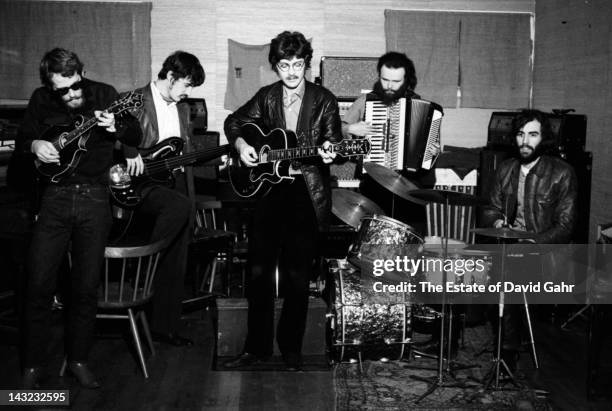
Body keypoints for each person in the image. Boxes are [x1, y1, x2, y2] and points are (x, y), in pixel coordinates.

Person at [20, 48, 142, 388]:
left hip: (94, 198)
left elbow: (136, 136)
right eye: (63, 90)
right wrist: (34, 147)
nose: (72, 94)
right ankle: (32, 366)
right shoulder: (40, 100)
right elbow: (23, 139)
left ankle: (78, 360)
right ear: (49, 84)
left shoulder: (105, 94)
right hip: (54, 200)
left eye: (76, 85)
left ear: (82, 73)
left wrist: (117, 125)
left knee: (85, 289)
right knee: (38, 285)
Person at [223, 31, 341, 370]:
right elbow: (234, 122)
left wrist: (332, 154)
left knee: (297, 276)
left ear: (306, 64)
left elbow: (334, 142)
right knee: (258, 272)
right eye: (285, 65)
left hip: (306, 191)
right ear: (276, 66)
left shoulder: (324, 99)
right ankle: (256, 347)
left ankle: (291, 348)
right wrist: (243, 147)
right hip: (269, 193)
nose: (292, 72)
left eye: (299, 64)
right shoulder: (266, 97)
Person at [482, 109, 578, 372]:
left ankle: (507, 354)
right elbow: (490, 208)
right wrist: (498, 222)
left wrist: (531, 244)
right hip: (508, 246)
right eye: (521, 134)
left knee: (509, 273)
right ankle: (449, 341)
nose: (525, 141)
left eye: (533, 135)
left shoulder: (562, 173)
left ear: (543, 138)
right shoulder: (506, 169)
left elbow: (566, 227)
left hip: (546, 254)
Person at [121, 51, 205, 347]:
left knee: (177, 257)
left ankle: (163, 328)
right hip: (139, 185)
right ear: (170, 77)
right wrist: (129, 151)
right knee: (177, 210)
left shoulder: (182, 109)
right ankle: (141, 265)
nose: (189, 93)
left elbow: (184, 148)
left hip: (176, 183)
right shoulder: (132, 100)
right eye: (187, 84)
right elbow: (109, 136)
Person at [341, 51, 420, 138]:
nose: (389, 86)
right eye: (385, 80)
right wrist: (349, 128)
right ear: (379, 77)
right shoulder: (365, 100)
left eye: (396, 81)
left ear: (406, 80)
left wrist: (433, 150)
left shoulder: (416, 104)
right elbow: (339, 128)